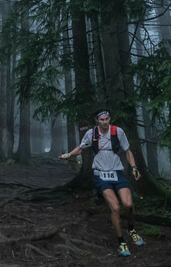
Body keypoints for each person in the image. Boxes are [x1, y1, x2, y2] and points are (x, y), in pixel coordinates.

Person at [59, 110, 144, 256]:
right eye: (102, 120)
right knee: (115, 208)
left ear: (109, 119)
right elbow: (81, 148)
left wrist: (134, 168)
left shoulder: (118, 131)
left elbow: (128, 151)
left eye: (107, 119)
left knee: (128, 205)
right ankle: (121, 243)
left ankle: (131, 229)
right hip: (101, 174)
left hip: (117, 173)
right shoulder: (91, 134)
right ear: (97, 121)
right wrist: (69, 154)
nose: (105, 122)